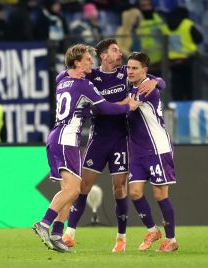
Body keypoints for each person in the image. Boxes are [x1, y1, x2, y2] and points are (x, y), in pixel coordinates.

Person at [32, 44, 140, 253]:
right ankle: (44, 224)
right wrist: (128, 106)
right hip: (67, 139)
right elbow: (105, 108)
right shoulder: (83, 84)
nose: (91, 62)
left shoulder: (62, 79)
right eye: (87, 59)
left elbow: (63, 74)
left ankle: (56, 233)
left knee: (70, 191)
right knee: (73, 189)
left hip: (55, 137)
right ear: (77, 63)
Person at [61, 38, 165, 252]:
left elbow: (157, 80)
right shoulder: (91, 75)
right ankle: (69, 234)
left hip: (120, 139)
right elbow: (64, 76)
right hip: (98, 139)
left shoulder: (125, 73)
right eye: (115, 50)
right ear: (104, 56)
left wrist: (156, 82)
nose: (120, 53)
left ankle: (121, 238)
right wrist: (123, 104)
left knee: (119, 189)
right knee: (82, 187)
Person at [125, 52, 178, 252]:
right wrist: (159, 80)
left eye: (134, 68)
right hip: (138, 150)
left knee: (160, 195)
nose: (129, 71)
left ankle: (171, 240)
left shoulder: (147, 89)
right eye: (128, 67)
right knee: (135, 192)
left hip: (157, 148)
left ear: (144, 71)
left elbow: (127, 107)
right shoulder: (135, 85)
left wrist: (97, 106)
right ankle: (153, 230)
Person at [161, 7, 203, 100]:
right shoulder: (187, 24)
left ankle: (178, 108)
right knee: (191, 87)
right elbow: (199, 39)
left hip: (173, 62)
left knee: (177, 87)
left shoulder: (164, 27)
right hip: (189, 60)